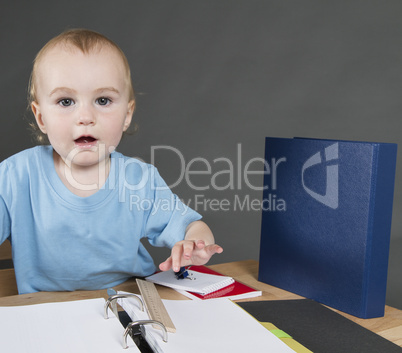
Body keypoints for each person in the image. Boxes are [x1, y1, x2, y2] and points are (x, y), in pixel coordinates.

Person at [0, 28, 223, 294]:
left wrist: (195, 244)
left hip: (130, 302)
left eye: (103, 100)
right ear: (41, 117)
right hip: (45, 313)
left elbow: (191, 226)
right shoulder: (15, 176)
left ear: (127, 114)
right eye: (66, 101)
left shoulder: (138, 179)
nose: (85, 116)